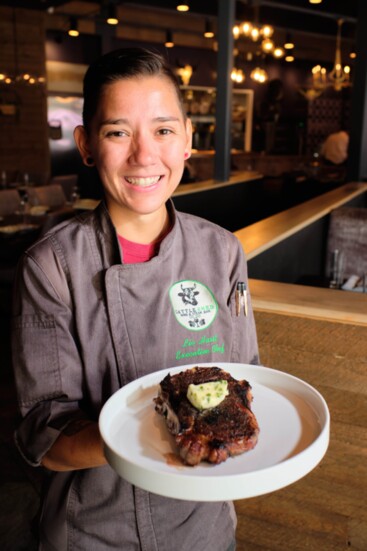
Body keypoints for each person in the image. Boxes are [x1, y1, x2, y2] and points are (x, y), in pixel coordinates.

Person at [11, 47, 260, 550]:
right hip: (98, 530)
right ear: (85, 144)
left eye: (164, 130)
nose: (144, 156)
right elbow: (48, 440)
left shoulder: (222, 251)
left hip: (205, 528)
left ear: (189, 139)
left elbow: (247, 377)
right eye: (118, 132)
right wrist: (163, 431)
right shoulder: (52, 267)